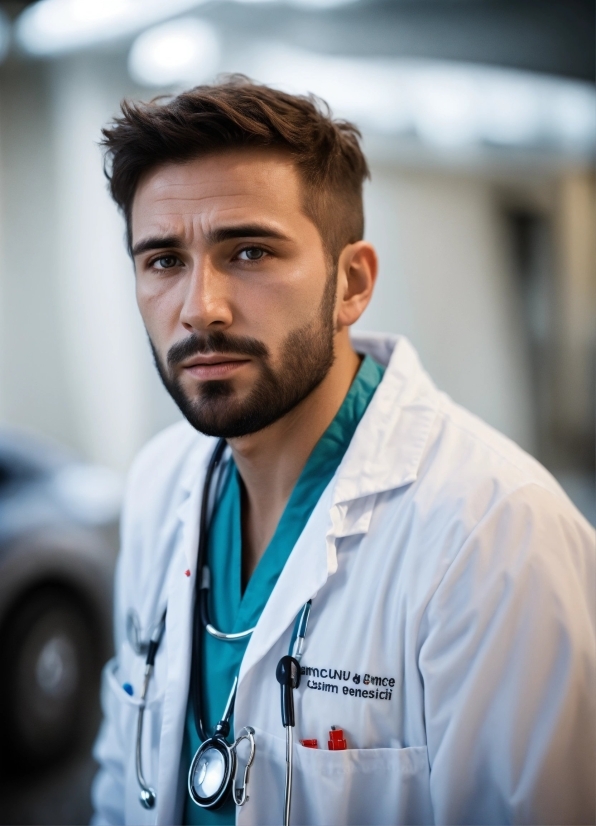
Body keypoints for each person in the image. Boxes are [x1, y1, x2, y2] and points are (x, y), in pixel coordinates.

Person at [92, 77, 595, 826]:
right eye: (163, 260)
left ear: (351, 283)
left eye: (250, 251)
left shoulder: (494, 536)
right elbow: (114, 786)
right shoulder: (159, 482)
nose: (200, 307)